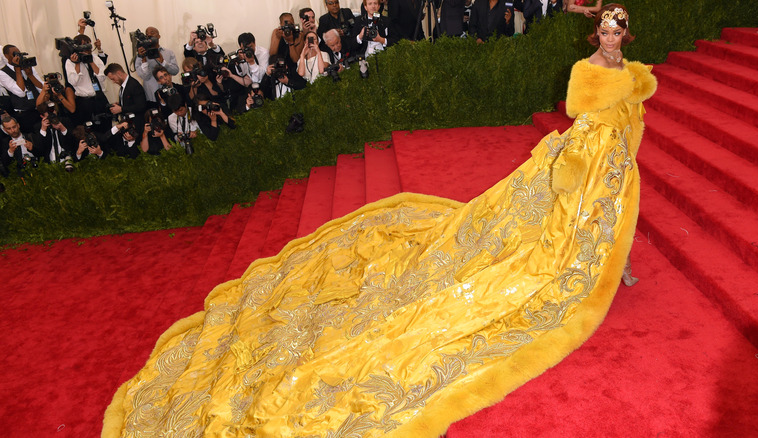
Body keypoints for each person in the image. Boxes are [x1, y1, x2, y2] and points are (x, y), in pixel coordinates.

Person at [103, 4, 656, 437]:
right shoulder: (586, 72)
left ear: (625, 37)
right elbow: (580, 116)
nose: (610, 37)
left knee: (600, 223)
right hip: (582, 162)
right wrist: (581, 162)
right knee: (545, 235)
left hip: (611, 166)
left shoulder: (631, 74)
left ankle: (613, 256)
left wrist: (619, 153)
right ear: (597, 36)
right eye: (604, 31)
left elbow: (630, 119)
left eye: (617, 32)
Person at [63, 35, 109, 129]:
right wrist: (77, 64)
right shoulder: (70, 62)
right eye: (84, 45)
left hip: (100, 99)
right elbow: (73, 82)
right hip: (84, 102)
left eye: (88, 44)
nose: (87, 47)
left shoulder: (95, 58)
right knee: (90, 129)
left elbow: (102, 77)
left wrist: (91, 61)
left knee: (106, 125)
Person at [0, 45, 44, 133]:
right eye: (14, 54)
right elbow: (21, 92)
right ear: (6, 56)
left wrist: (30, 75)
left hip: (38, 110)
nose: (18, 56)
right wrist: (17, 69)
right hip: (24, 114)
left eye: (19, 53)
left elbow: (41, 88)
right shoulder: (3, 73)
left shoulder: (27, 66)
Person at [134, 26, 180, 108]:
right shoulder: (140, 56)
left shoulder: (168, 53)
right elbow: (145, 77)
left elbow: (175, 71)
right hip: (152, 96)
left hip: (170, 94)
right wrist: (143, 60)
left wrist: (163, 62)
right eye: (147, 35)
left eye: (152, 33)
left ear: (159, 36)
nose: (150, 35)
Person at [104, 63, 146, 136]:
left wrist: (121, 109)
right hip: (128, 124)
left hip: (137, 125)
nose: (113, 82)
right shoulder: (122, 87)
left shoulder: (134, 85)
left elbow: (141, 106)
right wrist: (120, 104)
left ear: (119, 73)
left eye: (113, 79)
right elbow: (130, 103)